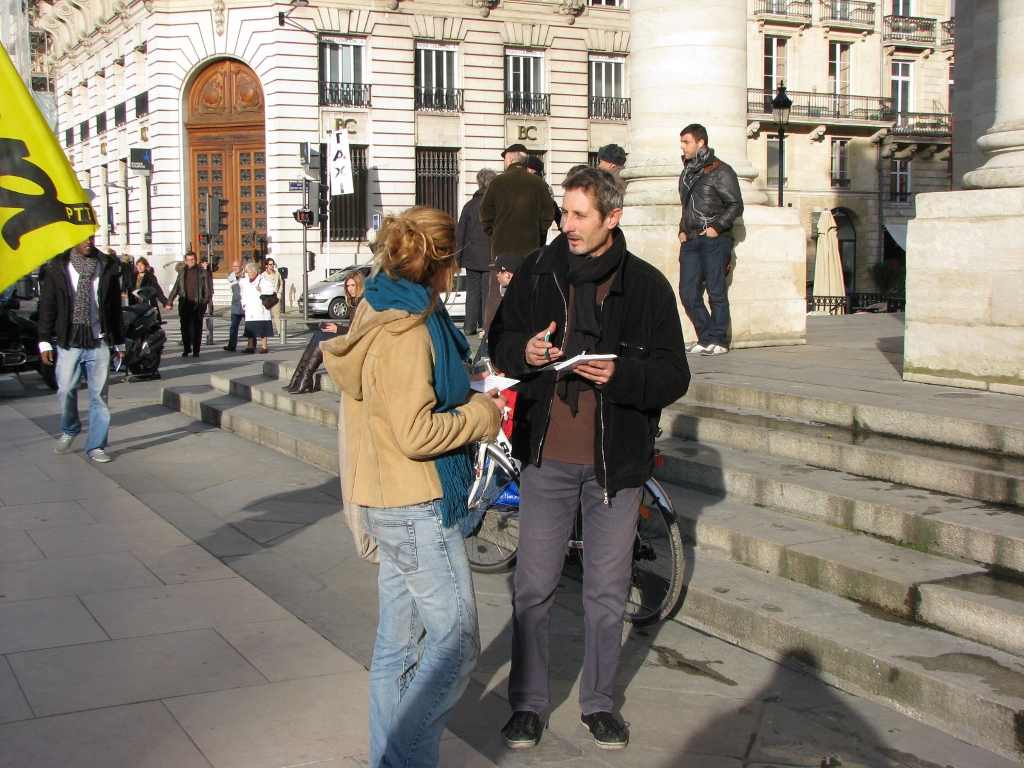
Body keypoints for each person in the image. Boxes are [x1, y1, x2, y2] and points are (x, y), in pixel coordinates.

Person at [488, 166, 689, 751]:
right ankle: (526, 704)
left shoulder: (648, 286)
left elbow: (675, 375)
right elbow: (498, 343)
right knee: (532, 586)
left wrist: (624, 376)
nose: (567, 225)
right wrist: (522, 351)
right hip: (546, 456)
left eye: (579, 215)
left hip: (615, 465)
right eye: (565, 213)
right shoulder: (537, 271)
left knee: (606, 591)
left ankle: (599, 704)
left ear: (612, 218)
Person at [320, 206, 505, 768]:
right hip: (415, 503)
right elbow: (416, 430)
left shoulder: (380, 305)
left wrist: (460, 388)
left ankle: (391, 759)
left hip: (388, 498)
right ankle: (399, 760)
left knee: (397, 650)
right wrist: (483, 413)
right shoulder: (407, 329)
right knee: (456, 646)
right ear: (444, 262)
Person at [37, 236, 126, 464]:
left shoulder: (106, 266)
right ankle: (70, 427)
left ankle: (96, 445)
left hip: (100, 341)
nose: (88, 241)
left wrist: (119, 342)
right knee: (66, 389)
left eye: (91, 237)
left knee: (99, 397)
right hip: (69, 341)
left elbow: (114, 306)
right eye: (82, 238)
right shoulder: (58, 266)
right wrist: (44, 341)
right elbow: (47, 305)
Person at [677, 123, 743, 356]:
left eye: (686, 142)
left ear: (700, 142)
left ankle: (719, 340)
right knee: (687, 292)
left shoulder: (720, 170)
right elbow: (687, 207)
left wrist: (716, 227)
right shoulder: (687, 172)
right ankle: (705, 337)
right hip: (691, 239)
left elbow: (735, 205)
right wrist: (682, 229)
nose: (682, 146)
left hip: (714, 238)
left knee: (716, 291)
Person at [480, 143, 557, 334]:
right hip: (530, 250)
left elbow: (484, 212)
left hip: (501, 249)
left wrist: (493, 233)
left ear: (510, 159)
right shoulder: (538, 184)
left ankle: (491, 335)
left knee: (496, 294)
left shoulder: (497, 183)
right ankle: (526, 331)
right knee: (528, 292)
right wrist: (538, 233)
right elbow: (549, 213)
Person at [285, 270, 364, 394]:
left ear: (360, 285)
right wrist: (337, 327)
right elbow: (352, 326)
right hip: (350, 336)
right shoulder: (353, 302)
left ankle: (304, 378)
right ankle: (299, 377)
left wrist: (338, 329)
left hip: (358, 341)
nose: (350, 289)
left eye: (353, 285)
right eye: (348, 286)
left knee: (321, 337)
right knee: (318, 335)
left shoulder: (364, 303)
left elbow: (360, 330)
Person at [456, 167, 496, 338]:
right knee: (488, 291)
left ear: (479, 183)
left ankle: (469, 325)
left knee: (472, 291)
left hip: (471, 256)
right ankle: (484, 326)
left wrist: (457, 258)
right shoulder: (495, 205)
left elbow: (460, 233)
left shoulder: (469, 206)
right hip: (489, 255)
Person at [165, 251, 212, 357]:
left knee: (197, 328)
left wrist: (204, 303)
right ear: (186, 261)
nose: (191, 261)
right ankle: (186, 349)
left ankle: (196, 350)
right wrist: (169, 301)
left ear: (196, 260)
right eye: (189, 260)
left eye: (193, 260)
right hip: (185, 303)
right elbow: (176, 287)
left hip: (197, 303)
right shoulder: (182, 272)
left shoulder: (203, 273)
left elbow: (209, 290)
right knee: (184, 327)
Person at [239, 262, 275, 353]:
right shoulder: (246, 282)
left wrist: (262, 289)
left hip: (260, 310)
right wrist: (244, 304)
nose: (248, 274)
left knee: (262, 328)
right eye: (247, 272)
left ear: (255, 272)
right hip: (250, 309)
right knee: (250, 329)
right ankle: (250, 346)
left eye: (250, 272)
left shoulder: (262, 281)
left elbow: (272, 290)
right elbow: (243, 294)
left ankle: (264, 347)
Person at [223, 260, 245, 352]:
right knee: (233, 326)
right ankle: (232, 345)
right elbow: (231, 290)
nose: (235, 268)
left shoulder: (246, 276)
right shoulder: (231, 278)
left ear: (241, 266)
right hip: (236, 304)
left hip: (246, 304)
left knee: (249, 326)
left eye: (237, 266)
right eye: (233, 267)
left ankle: (252, 345)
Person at [263, 257, 283, 334]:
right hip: (267, 297)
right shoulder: (263, 275)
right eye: (270, 264)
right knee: (266, 316)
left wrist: (279, 293)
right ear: (267, 266)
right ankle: (266, 332)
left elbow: (281, 284)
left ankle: (280, 333)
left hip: (275, 296)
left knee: (277, 315)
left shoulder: (277, 274)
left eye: (273, 264)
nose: (272, 266)